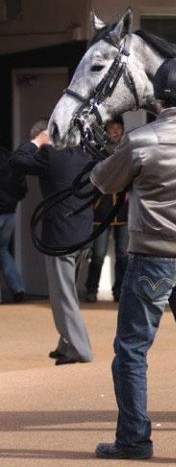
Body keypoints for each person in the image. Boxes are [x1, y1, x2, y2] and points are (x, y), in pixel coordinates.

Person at [90, 58, 176, 460]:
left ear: (157, 98)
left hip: (151, 257)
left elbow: (104, 181)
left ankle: (134, 440)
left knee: (132, 349)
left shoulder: (141, 139)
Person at [9, 118, 94, 365]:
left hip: (60, 236)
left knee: (62, 297)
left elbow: (16, 160)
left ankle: (80, 350)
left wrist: (37, 142)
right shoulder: (84, 153)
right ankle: (66, 346)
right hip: (83, 233)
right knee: (69, 294)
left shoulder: (49, 155)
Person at [84, 116, 129, 303]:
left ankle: (120, 290)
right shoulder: (97, 151)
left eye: (118, 127)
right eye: (112, 127)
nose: (115, 131)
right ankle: (91, 289)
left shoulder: (127, 151)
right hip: (101, 210)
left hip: (122, 211)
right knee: (98, 254)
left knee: (123, 254)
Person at [0, 144, 27, 302]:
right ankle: (18, 288)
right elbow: (23, 188)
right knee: (3, 251)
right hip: (10, 212)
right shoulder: (11, 159)